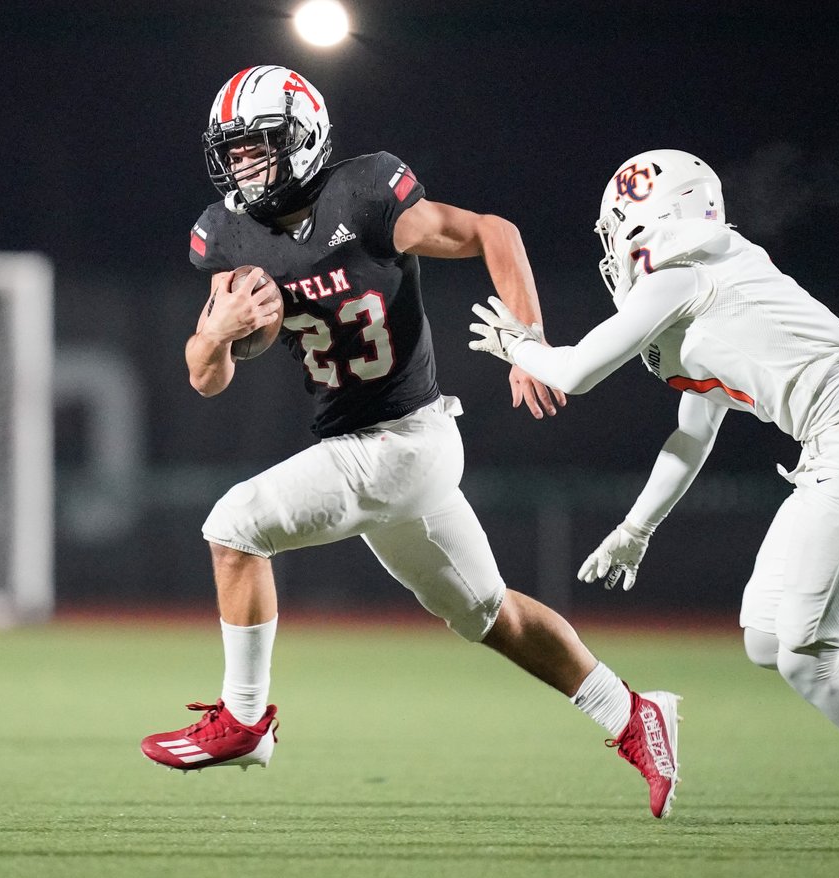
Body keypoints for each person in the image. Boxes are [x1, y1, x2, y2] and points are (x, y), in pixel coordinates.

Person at [139, 66, 683, 818]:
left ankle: (246, 717)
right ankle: (633, 715)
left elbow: (496, 231)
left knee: (234, 526)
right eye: (234, 152)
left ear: (304, 139)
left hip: (406, 440)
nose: (245, 167)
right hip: (376, 452)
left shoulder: (364, 196)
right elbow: (207, 377)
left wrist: (527, 343)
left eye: (260, 147)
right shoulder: (229, 236)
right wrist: (218, 332)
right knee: (490, 614)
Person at [468, 148, 839, 838]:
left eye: (619, 227)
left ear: (650, 218)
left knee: (805, 655)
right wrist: (637, 527)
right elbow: (693, 432)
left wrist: (518, 347)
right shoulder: (713, 275)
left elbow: (575, 372)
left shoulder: (684, 277)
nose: (615, 249)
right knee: (767, 635)